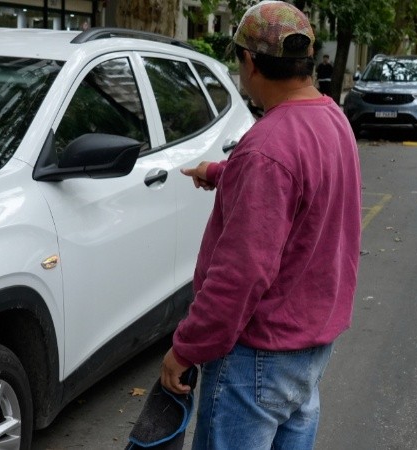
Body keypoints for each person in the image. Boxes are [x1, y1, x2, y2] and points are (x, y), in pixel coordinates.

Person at [159, 1, 362, 449]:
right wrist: (220, 172)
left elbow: (241, 274)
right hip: (308, 350)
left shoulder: (267, 146)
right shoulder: (332, 119)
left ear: (250, 62)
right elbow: (300, 187)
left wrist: (186, 348)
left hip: (256, 360)